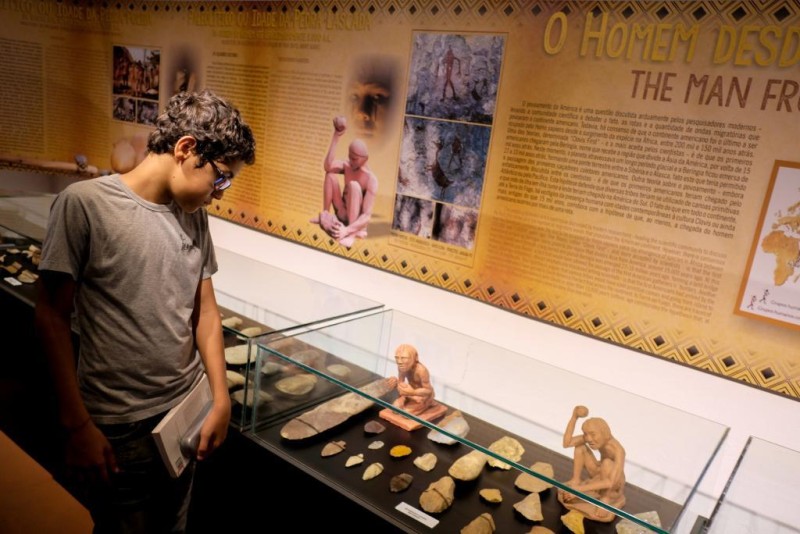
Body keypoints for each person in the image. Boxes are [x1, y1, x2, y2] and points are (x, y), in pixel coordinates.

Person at [34, 89, 256, 533]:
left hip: (183, 413)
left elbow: (205, 310)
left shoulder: (193, 214)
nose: (219, 193)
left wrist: (220, 397)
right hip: (118, 424)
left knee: (173, 524)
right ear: (186, 148)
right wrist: (77, 424)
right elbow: (51, 316)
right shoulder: (85, 205)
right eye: (221, 178)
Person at [310, 115, 378, 248]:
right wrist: (337, 135)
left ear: (365, 158)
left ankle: (351, 234)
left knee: (353, 186)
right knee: (330, 175)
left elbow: (367, 216)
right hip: (341, 211)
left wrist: (347, 230)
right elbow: (328, 166)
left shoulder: (371, 179)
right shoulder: (348, 166)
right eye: (350, 157)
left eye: (355, 159)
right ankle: (325, 215)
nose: (351, 161)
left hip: (354, 220)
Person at [557, 405, 627, 522]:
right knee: (580, 447)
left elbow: (610, 482)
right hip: (600, 473)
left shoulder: (618, 450)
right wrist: (574, 417)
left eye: (593, 434)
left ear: (604, 433)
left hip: (614, 484)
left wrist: (579, 490)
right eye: (586, 434)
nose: (589, 439)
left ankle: (606, 499)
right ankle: (576, 479)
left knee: (606, 463)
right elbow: (567, 443)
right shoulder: (591, 438)